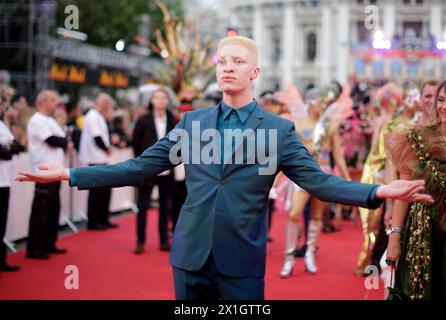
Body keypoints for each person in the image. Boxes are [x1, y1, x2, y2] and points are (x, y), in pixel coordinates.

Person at [17, 36, 433, 300]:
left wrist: (378, 192)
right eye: (221, 61)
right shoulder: (192, 123)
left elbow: (318, 183)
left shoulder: (279, 130)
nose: (227, 66)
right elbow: (139, 168)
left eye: (237, 61)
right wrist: (72, 175)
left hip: (241, 260)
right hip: (189, 256)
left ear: (254, 72)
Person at [385, 80, 446, 300]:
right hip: (422, 232)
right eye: (441, 100)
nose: (443, 106)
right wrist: (394, 237)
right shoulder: (415, 137)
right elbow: (404, 191)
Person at [26, 90, 70, 259]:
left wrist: (64, 141)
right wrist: (64, 141)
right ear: (43, 101)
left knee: (53, 209)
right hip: (42, 172)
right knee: (41, 210)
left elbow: (63, 140)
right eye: (53, 101)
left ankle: (49, 243)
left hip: (55, 171)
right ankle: (35, 248)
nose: (56, 105)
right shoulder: (37, 120)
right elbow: (55, 140)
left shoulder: (50, 120)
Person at [132, 88, 176, 254]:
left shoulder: (172, 119)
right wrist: (141, 163)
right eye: (158, 98)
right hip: (148, 169)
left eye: (164, 98)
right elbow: (136, 143)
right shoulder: (143, 120)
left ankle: (164, 240)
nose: (161, 101)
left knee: (165, 206)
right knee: (142, 206)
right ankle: (140, 241)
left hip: (167, 169)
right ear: (152, 100)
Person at [79, 93, 117, 230]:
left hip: (101, 158)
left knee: (104, 191)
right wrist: (106, 148)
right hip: (95, 159)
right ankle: (94, 222)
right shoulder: (93, 116)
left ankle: (103, 218)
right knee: (96, 193)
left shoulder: (98, 116)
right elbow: (97, 138)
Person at [0, 98, 24, 271]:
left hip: (4, 181)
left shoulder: (2, 125)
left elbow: (16, 147)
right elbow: (5, 153)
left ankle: (1, 261)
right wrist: (7, 149)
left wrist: (8, 148)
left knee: (2, 224)